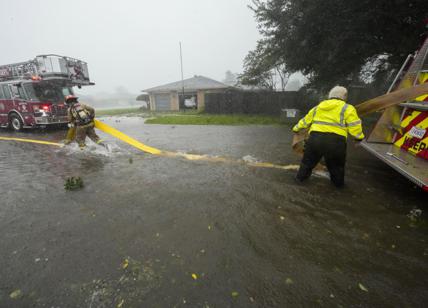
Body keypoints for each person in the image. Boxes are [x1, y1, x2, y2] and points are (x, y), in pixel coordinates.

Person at [292, 86, 364, 187]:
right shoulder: (348, 108)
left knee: (306, 165)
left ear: (330, 95)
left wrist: (296, 129)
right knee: (336, 169)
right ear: (344, 96)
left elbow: (305, 121)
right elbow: (355, 126)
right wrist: (359, 138)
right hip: (335, 143)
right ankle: (338, 190)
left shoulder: (318, 107)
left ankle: (298, 183)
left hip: (315, 140)